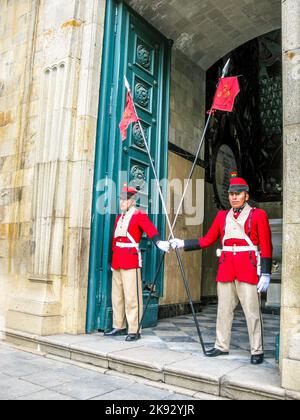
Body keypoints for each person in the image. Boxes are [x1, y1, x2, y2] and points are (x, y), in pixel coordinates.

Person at [171, 173, 273, 365]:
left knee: (252, 312)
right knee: (224, 310)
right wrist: (182, 243)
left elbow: (266, 245)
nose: (233, 197)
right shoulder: (221, 216)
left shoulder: (258, 215)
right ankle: (221, 345)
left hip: (248, 268)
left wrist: (266, 273)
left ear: (246, 196)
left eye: (238, 193)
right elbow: (207, 240)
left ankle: (256, 349)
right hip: (226, 268)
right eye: (231, 193)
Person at [104, 184, 170, 342]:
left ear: (132, 201)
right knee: (117, 295)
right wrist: (113, 260)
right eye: (120, 199)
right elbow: (115, 240)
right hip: (118, 259)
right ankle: (118, 326)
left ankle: (134, 329)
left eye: (124, 199)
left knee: (132, 296)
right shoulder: (119, 217)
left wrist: (159, 242)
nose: (121, 202)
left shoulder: (139, 215)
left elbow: (150, 230)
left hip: (130, 258)